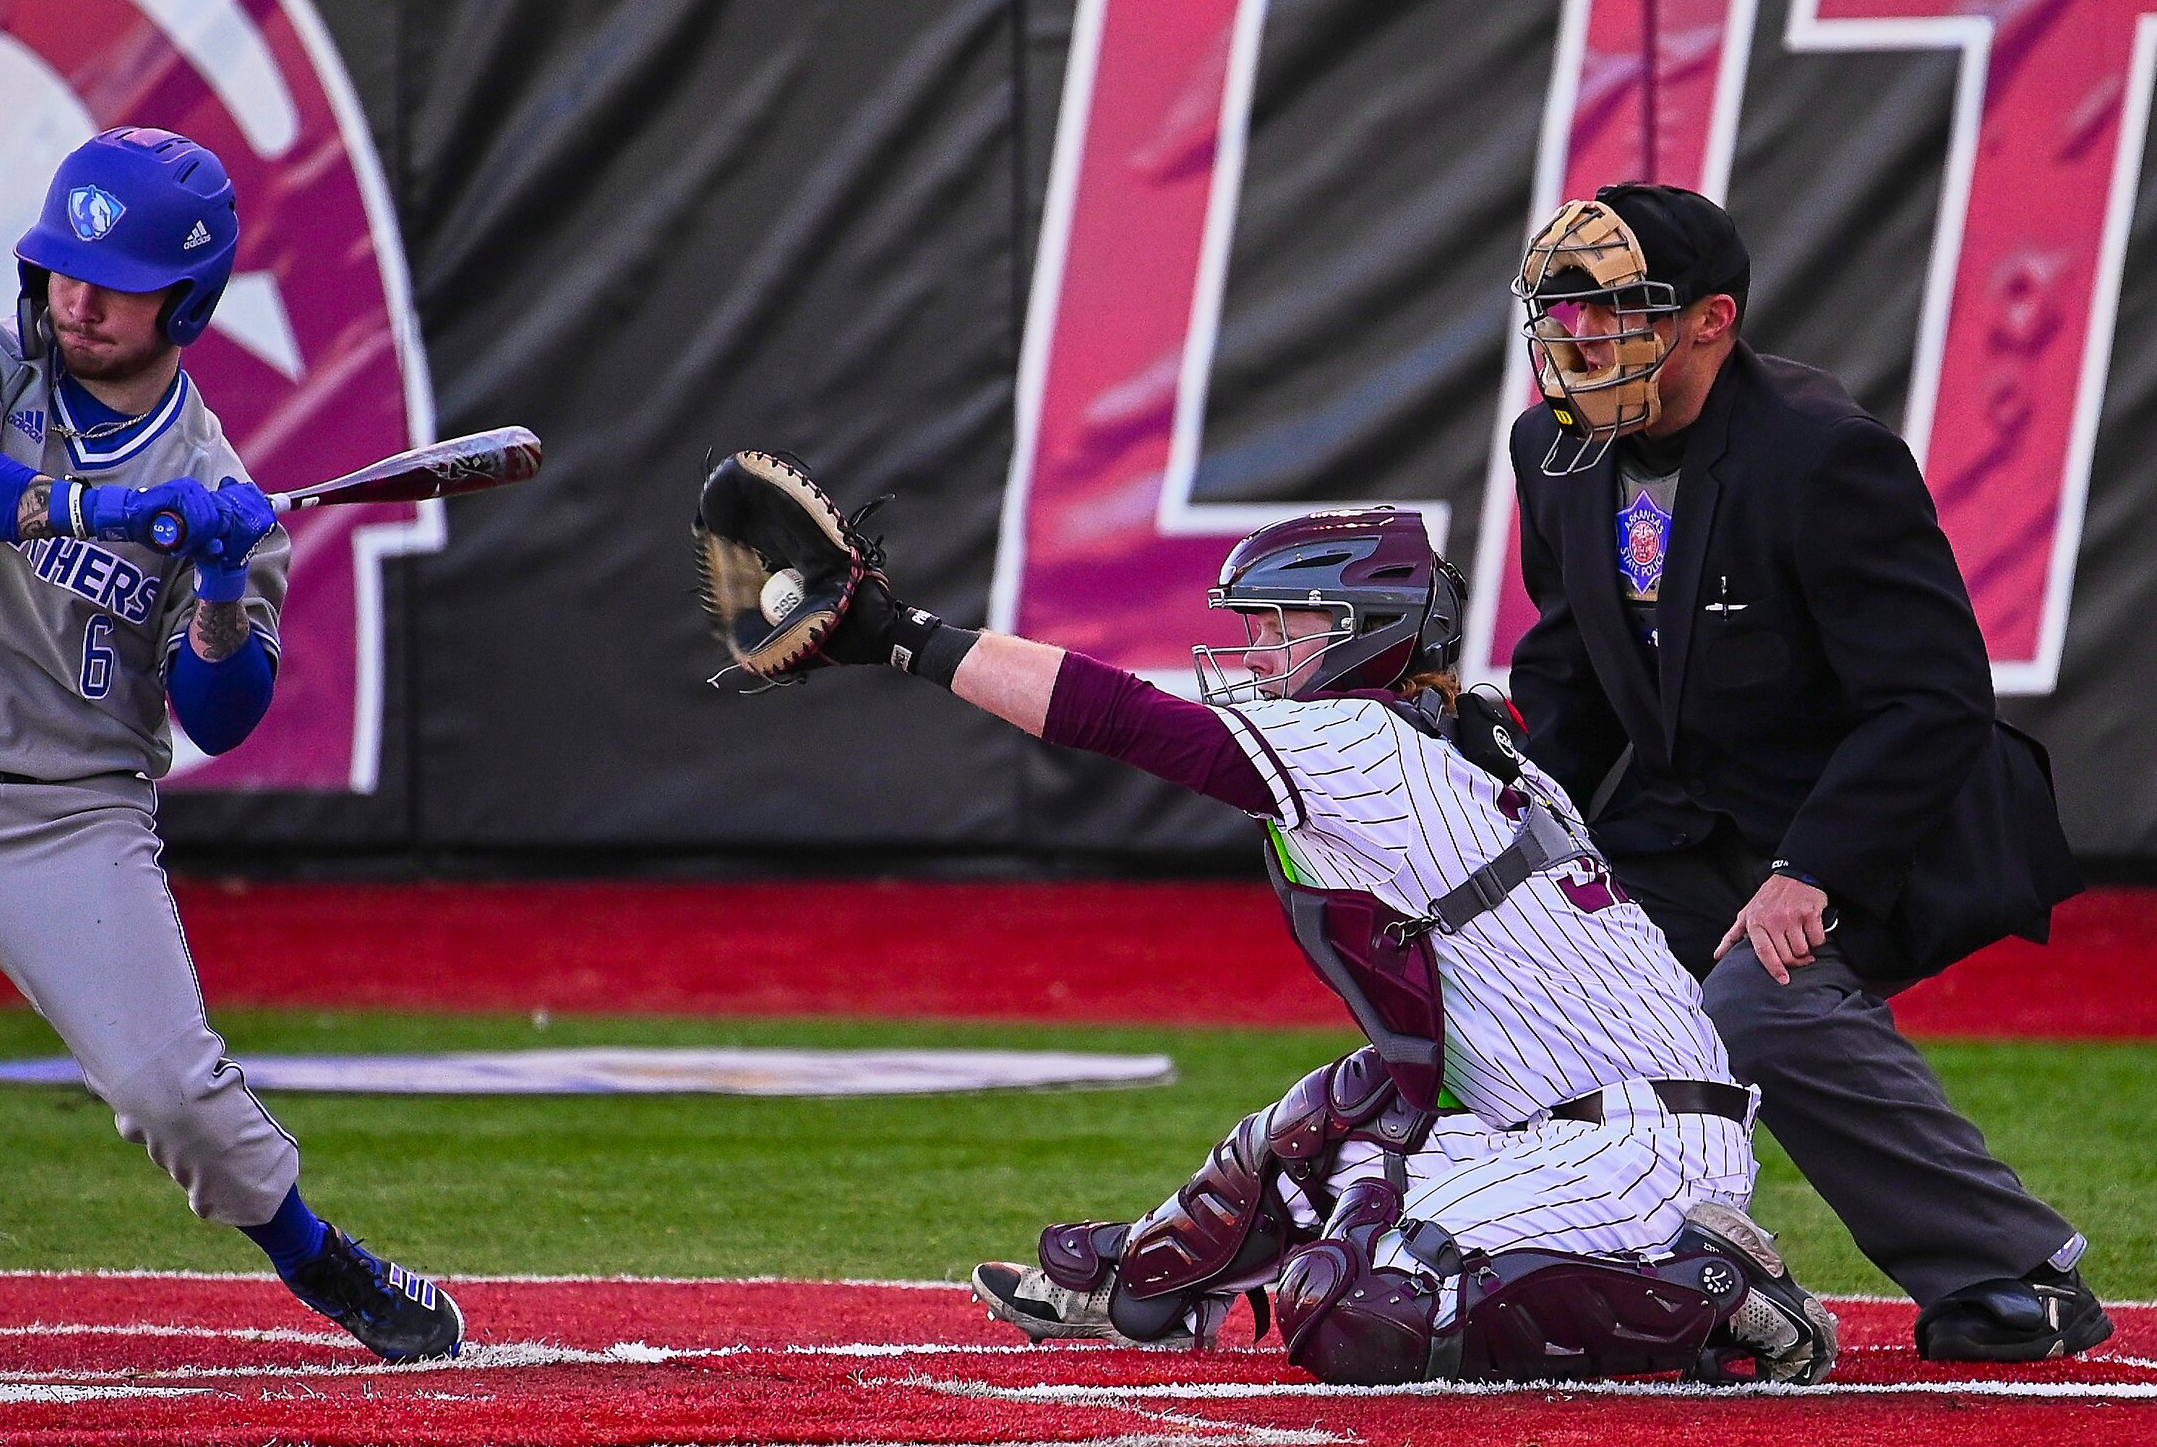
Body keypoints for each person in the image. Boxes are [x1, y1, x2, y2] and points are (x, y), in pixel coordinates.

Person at [712, 464, 1835, 1385]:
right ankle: (1142, 1285)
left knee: (1353, 1311)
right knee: (1335, 1118)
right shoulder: (1445, 734)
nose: (1259, 655)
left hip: (1633, 1147)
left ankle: (1711, 1294)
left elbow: (1120, 716)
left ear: (1370, 634)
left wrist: (895, 632)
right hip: (1562, 1116)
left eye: (1289, 627)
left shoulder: (1369, 738)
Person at [0, 128, 461, 1363]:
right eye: (65, 266)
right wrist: (95, 506)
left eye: (116, 278)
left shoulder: (213, 480)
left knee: (173, 1095)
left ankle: (325, 1263)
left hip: (67, 825)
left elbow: (219, 714)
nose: (78, 297)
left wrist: (229, 585)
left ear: (185, 297)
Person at [1504, 182, 2102, 1362]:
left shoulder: (1822, 455)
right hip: (1689, 828)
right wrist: (1500, 838)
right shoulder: (1555, 449)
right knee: (1526, 979)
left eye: (1617, 308)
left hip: (1886, 826)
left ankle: (2017, 1272)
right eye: (1563, 309)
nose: (1580, 337)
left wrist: (1808, 871)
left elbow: (1931, 700)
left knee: (1760, 1003)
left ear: (1712, 319)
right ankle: (1615, 1268)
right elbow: (1571, 669)